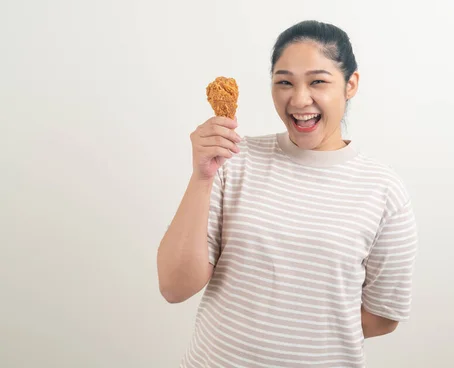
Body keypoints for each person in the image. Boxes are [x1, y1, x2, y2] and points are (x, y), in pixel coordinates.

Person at [157, 20, 419, 368]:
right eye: (284, 82)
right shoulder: (234, 160)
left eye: (318, 81)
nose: (298, 99)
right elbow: (175, 288)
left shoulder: (384, 192)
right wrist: (202, 176)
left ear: (350, 84)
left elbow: (383, 317)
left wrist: (301, 339)